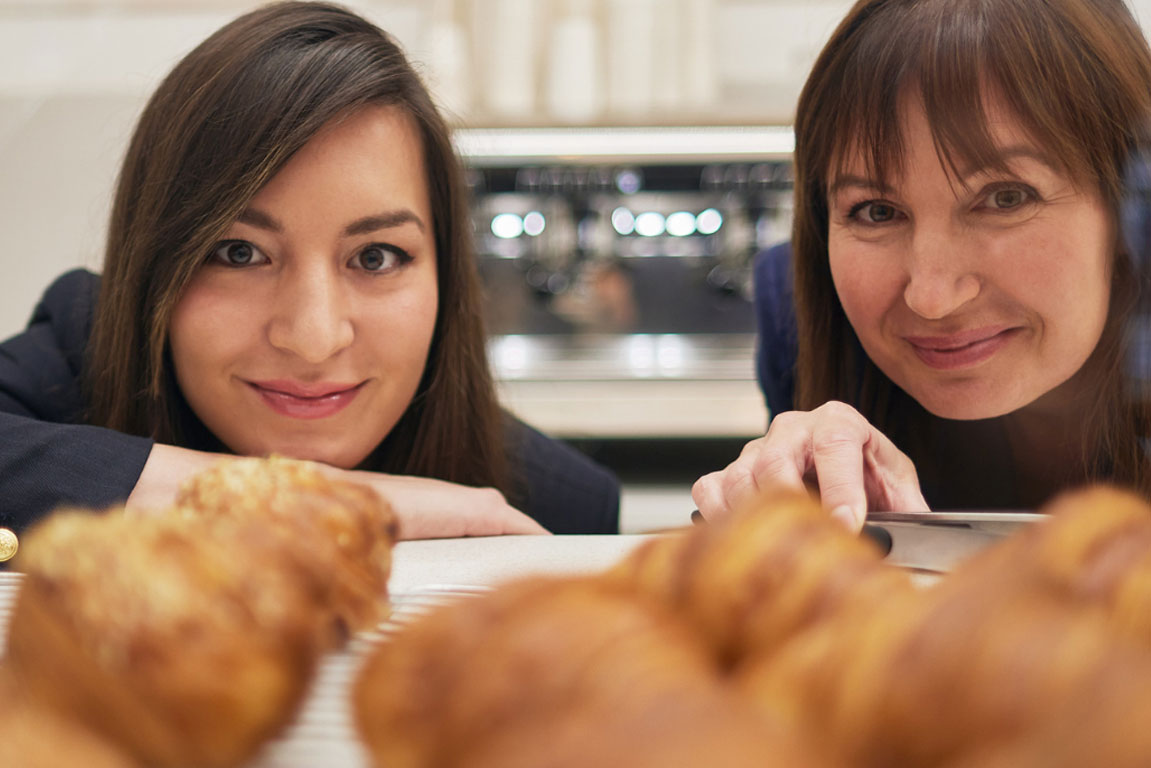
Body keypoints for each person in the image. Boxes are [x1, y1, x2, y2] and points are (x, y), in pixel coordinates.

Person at [0, 1, 619, 539]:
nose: (314, 336)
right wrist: (322, 502)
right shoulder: (79, 350)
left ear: (447, 277)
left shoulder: (551, 506)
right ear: (153, 266)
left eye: (376, 257)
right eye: (238, 253)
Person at [694, 0, 1151, 529]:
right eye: (877, 212)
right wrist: (793, 489)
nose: (931, 297)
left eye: (1005, 198)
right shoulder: (799, 312)